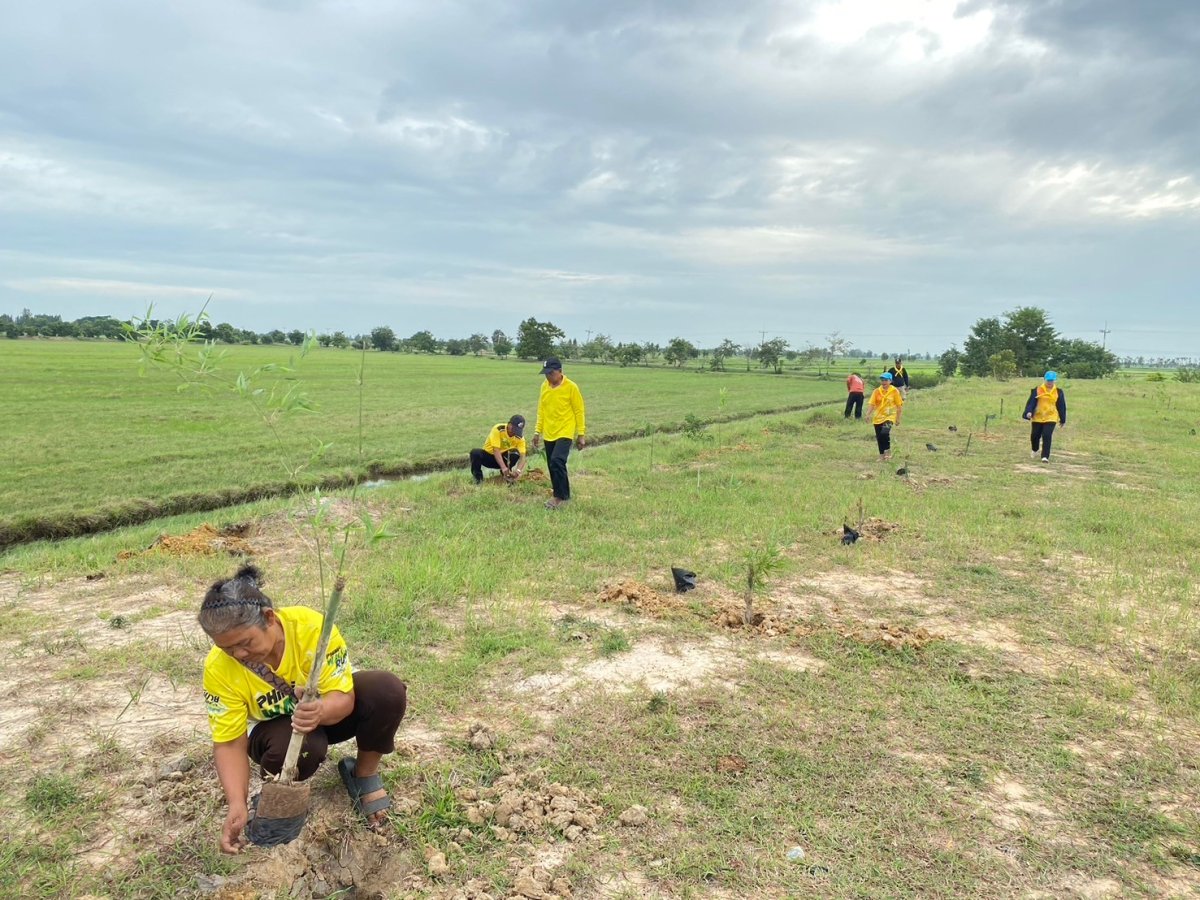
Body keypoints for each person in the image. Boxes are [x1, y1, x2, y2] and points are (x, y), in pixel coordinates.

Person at [200, 565, 407, 854]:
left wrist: (321, 710)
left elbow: (343, 698)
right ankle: (283, 798)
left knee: (386, 690)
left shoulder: (312, 628)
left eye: (244, 643)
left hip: (328, 711)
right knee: (300, 746)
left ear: (269, 618)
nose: (238, 656)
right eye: (227, 649)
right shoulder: (218, 669)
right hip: (271, 730)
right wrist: (237, 802)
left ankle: (363, 775)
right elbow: (230, 742)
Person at [529, 356, 586, 510]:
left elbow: (579, 411)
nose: (548, 376)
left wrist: (581, 434)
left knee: (557, 461)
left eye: (551, 373)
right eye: (546, 373)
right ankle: (561, 493)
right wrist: (537, 432)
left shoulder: (571, 387)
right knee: (552, 464)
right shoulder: (544, 386)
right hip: (549, 432)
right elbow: (541, 410)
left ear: (560, 371)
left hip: (565, 431)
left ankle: (560, 497)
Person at [469, 414, 527, 484]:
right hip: (489, 457)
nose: (514, 433)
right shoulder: (498, 429)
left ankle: (507, 474)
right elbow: (496, 450)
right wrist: (503, 467)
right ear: (509, 424)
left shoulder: (520, 438)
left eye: (518, 430)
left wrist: (518, 471)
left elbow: (523, 456)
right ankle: (478, 480)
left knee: (515, 453)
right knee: (475, 453)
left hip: (504, 459)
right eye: (514, 429)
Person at [1023, 371, 1067, 463]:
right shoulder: (1038, 390)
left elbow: (1061, 406)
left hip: (1051, 416)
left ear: (1055, 381)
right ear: (1044, 379)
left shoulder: (1058, 392)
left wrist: (1062, 419)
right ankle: (1035, 449)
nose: (1050, 382)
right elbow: (1031, 402)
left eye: (1052, 380)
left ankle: (1045, 456)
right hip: (1038, 416)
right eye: (1048, 380)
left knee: (1047, 435)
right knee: (1035, 436)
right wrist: (1029, 412)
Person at [866, 372, 904, 460]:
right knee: (879, 437)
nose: (884, 382)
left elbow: (899, 406)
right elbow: (872, 404)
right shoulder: (876, 391)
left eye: (886, 380)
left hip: (890, 416)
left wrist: (898, 418)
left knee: (884, 433)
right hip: (878, 417)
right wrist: (868, 414)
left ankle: (888, 453)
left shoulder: (894, 391)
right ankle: (882, 455)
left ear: (890, 381)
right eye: (882, 380)